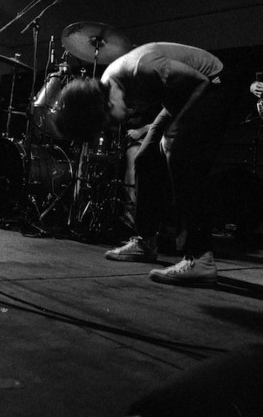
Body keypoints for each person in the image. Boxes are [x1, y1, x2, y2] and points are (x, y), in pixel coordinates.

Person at [54, 42, 234, 286]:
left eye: (108, 122)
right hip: (180, 95)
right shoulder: (108, 84)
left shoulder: (143, 68)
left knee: (180, 153)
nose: (113, 127)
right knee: (146, 157)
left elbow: (201, 82)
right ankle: (146, 241)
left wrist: (176, 129)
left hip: (214, 83)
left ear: (108, 104)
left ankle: (200, 258)